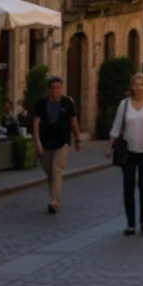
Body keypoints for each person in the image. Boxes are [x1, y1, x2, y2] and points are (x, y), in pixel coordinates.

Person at [106, 72, 143, 235]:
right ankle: (131, 223)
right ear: (131, 87)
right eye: (136, 84)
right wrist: (109, 146)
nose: (138, 87)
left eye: (141, 84)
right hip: (129, 151)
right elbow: (117, 126)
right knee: (128, 185)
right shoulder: (124, 104)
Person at [31, 75, 82, 214]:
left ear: (62, 89)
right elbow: (36, 123)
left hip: (62, 142)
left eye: (58, 88)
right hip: (45, 142)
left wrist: (78, 138)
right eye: (53, 88)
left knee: (56, 169)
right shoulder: (42, 103)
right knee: (49, 170)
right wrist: (37, 142)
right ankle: (55, 194)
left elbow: (73, 121)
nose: (56, 91)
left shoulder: (67, 103)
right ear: (49, 90)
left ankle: (54, 201)